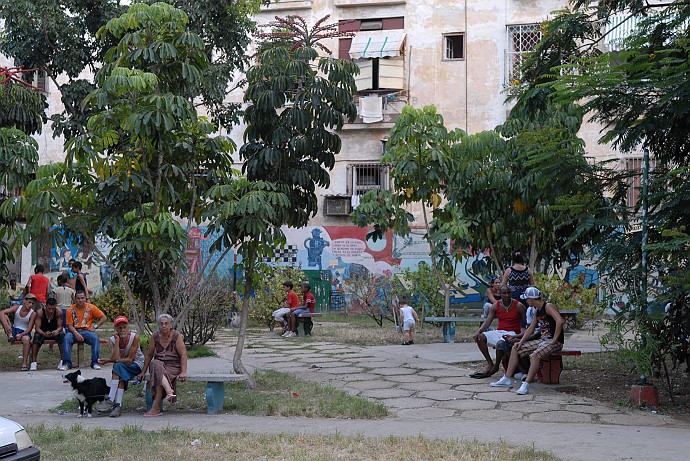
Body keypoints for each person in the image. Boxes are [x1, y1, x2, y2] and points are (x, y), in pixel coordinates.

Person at [490, 286, 565, 395]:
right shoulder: (537, 311)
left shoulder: (548, 306)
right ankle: (507, 379)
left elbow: (560, 321)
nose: (526, 301)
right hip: (543, 340)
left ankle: (526, 385)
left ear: (532, 299)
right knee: (515, 348)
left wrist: (554, 340)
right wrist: (520, 342)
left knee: (535, 355)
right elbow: (530, 329)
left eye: (527, 299)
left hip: (555, 342)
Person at [136, 314, 187, 417]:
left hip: (173, 366)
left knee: (157, 372)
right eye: (161, 324)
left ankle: (156, 408)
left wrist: (183, 372)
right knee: (155, 364)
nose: (164, 326)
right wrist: (143, 372)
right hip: (158, 366)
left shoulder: (176, 336)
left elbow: (183, 355)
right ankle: (168, 392)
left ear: (171, 325)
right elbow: (149, 355)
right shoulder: (155, 336)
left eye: (166, 324)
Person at [470, 285, 526, 378]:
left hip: (513, 333)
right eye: (504, 293)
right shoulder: (496, 306)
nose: (507, 295)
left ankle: (496, 367)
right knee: (480, 337)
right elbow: (488, 322)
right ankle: (490, 364)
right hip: (500, 331)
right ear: (499, 294)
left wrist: (519, 336)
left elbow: (525, 325)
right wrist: (479, 331)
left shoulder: (519, 306)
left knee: (500, 343)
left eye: (508, 293)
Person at [96, 316, 145, 417]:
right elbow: (116, 357)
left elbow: (130, 359)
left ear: (128, 328)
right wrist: (117, 341)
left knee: (118, 367)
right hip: (123, 366)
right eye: (119, 328)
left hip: (136, 365)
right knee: (119, 372)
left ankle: (110, 399)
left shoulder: (134, 337)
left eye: (124, 327)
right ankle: (118, 406)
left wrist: (110, 360)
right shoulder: (113, 340)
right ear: (115, 329)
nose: (122, 330)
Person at [59, 291, 107, 371]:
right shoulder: (70, 310)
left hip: (87, 331)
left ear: (85, 298)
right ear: (75, 299)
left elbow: (103, 317)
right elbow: (69, 325)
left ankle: (95, 362)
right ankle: (67, 363)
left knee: (95, 338)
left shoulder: (91, 307)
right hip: (74, 331)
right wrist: (76, 333)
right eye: (78, 298)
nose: (80, 300)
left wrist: (95, 326)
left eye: (82, 298)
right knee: (66, 338)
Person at [1, 293, 37, 371]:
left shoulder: (33, 313)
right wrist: (6, 326)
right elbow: (1, 312)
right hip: (13, 329)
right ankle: (10, 335)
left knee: (26, 339)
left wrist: (21, 334)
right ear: (24, 301)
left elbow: (29, 329)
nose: (31, 305)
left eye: (32, 303)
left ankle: (24, 363)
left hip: (24, 331)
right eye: (29, 302)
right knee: (4, 315)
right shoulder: (17, 308)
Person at [30, 297, 65, 371]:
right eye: (49, 309)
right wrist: (43, 333)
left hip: (54, 332)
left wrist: (57, 331)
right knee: (36, 337)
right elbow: (37, 328)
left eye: (53, 309)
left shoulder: (58, 312)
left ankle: (62, 361)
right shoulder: (40, 312)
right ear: (45, 306)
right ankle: (33, 362)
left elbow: (60, 327)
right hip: (42, 331)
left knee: (62, 335)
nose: (51, 311)